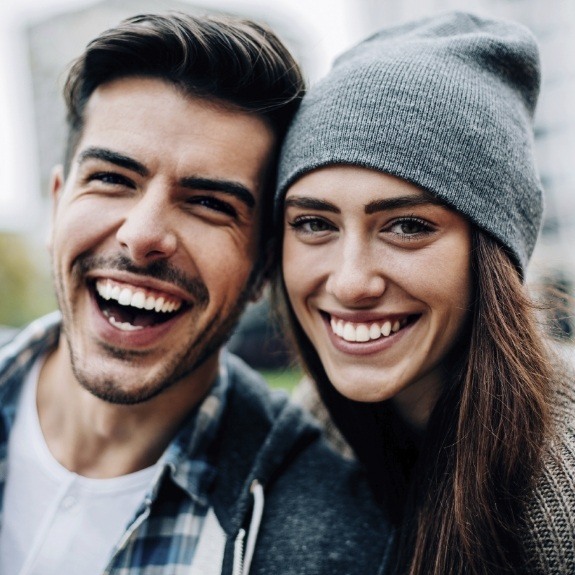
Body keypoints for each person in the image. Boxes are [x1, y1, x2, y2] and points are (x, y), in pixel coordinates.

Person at [0, 12, 391, 575]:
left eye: (210, 204)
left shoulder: (336, 538)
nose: (142, 236)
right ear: (58, 202)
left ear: (264, 267)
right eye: (112, 178)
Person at [275, 11, 575, 575]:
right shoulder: (306, 431)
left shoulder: (562, 502)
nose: (350, 281)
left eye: (407, 226)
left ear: (493, 252)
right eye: (315, 223)